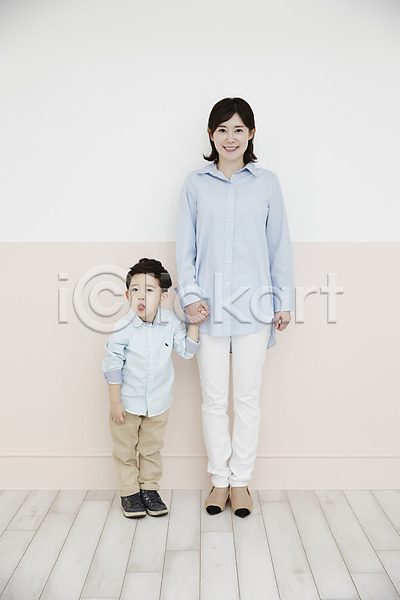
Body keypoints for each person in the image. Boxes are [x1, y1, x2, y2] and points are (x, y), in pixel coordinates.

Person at [176, 97, 294, 518]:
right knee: (212, 399)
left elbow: (279, 245)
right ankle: (219, 480)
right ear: (211, 134)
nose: (231, 138)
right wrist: (190, 297)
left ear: (251, 134)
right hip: (207, 309)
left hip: (255, 307)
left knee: (246, 399)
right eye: (222, 130)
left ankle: (241, 481)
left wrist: (283, 300)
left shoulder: (267, 183)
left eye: (239, 129)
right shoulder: (195, 184)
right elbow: (185, 247)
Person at [103, 258, 200, 518]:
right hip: (127, 403)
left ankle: (149, 489)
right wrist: (115, 402)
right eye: (135, 290)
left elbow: (187, 351)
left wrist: (194, 324)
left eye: (149, 290)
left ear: (163, 296)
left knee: (151, 449)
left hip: (158, 403)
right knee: (125, 450)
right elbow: (112, 364)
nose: (141, 296)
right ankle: (129, 492)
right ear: (127, 295)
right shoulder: (123, 328)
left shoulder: (171, 323)